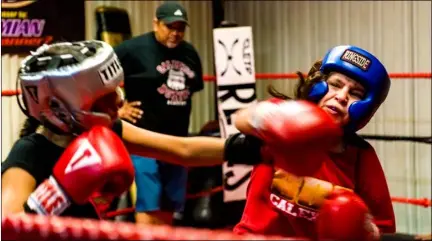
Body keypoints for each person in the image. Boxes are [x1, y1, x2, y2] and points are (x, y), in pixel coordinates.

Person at [0, 40, 256, 220]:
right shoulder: (30, 152)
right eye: (104, 98)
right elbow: (7, 226)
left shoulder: (106, 132)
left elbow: (182, 149)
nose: (119, 102)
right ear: (58, 107)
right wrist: (58, 191)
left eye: (116, 91)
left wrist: (250, 148)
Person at [231, 45, 397, 239]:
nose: (342, 96)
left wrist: (362, 228)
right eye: (336, 84)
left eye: (355, 93)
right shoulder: (283, 113)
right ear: (318, 84)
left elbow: (381, 226)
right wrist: (274, 120)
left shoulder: (361, 156)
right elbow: (241, 119)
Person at [113, 1, 204, 225]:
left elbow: (191, 89)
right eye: (169, 27)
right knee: (149, 203)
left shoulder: (189, 53)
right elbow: (101, 75)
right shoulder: (133, 49)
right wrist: (118, 108)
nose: (175, 33)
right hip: (145, 141)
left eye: (180, 28)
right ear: (156, 24)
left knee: (169, 206)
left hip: (178, 144)